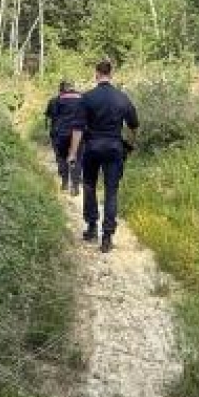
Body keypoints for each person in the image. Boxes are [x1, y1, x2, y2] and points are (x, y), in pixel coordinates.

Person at [67, 59, 139, 253]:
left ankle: (91, 227)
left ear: (97, 74)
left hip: (92, 148)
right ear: (111, 74)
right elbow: (134, 125)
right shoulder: (122, 98)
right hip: (114, 147)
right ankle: (107, 236)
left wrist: (72, 153)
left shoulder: (87, 98)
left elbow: (78, 128)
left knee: (89, 186)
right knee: (111, 191)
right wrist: (130, 146)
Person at [44, 79, 83, 195]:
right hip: (79, 133)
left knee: (61, 157)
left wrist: (50, 132)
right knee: (78, 157)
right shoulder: (83, 100)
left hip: (60, 134)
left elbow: (49, 117)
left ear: (61, 89)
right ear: (73, 88)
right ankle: (75, 185)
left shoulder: (54, 100)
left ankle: (65, 182)